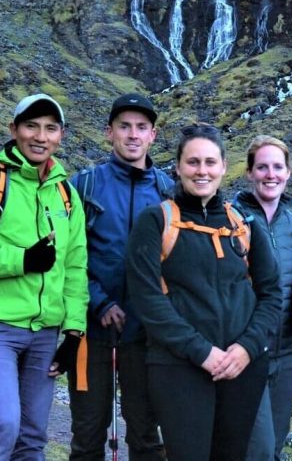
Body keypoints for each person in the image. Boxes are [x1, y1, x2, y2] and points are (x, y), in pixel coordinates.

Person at [125, 124, 281, 461]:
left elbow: (271, 294)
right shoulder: (154, 222)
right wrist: (201, 352)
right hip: (180, 367)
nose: (202, 171)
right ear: (178, 167)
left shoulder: (245, 223)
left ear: (225, 166)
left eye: (210, 162)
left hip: (242, 367)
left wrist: (246, 348)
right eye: (193, 162)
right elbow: (149, 300)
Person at [0, 93, 89, 459]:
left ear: (60, 135)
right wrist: (22, 260)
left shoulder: (66, 194)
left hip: (46, 334)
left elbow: (76, 266)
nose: (40, 136)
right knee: (2, 422)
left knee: (32, 436)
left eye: (50, 128)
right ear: (13, 130)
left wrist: (74, 330)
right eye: (31, 126)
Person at [68, 93, 171, 460]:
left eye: (141, 127)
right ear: (108, 132)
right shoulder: (84, 186)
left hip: (147, 334)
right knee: (87, 433)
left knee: (146, 433)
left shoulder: (168, 191)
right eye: (124, 126)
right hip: (91, 333)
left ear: (153, 135)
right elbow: (69, 258)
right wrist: (100, 302)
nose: (132, 135)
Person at [233, 135, 292, 461]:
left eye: (277, 167)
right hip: (248, 349)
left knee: (275, 444)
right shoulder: (231, 218)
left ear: (288, 172)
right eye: (262, 167)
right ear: (249, 172)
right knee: (254, 447)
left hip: (286, 351)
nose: (270, 174)